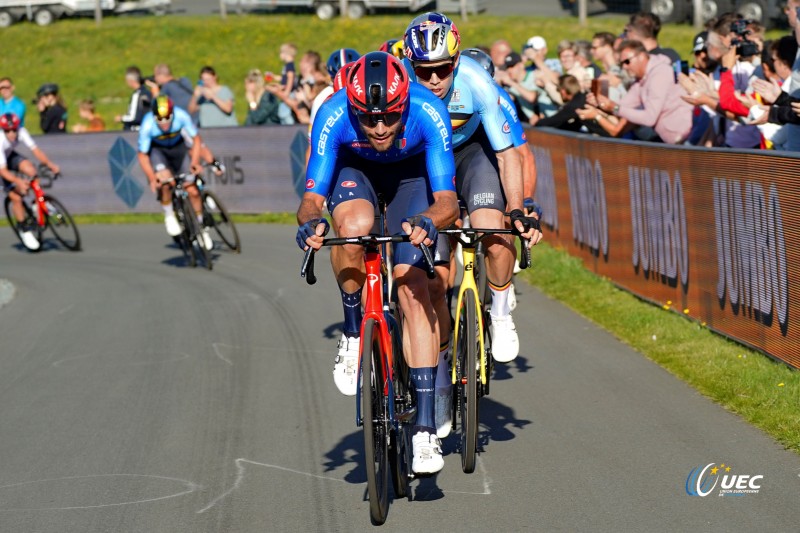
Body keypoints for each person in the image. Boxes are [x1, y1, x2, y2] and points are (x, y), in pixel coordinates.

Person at [296, 51, 459, 475]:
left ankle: (424, 428)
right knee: (352, 227)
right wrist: (311, 223)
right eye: (368, 120)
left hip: (412, 178)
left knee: (412, 288)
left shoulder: (429, 110)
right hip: (357, 174)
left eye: (389, 117)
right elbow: (312, 199)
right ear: (352, 109)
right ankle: (353, 333)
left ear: (404, 103)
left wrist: (427, 220)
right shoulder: (332, 115)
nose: (380, 128)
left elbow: (447, 202)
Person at [402, 12, 543, 438]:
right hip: (425, 161)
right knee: (434, 281)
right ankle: (440, 370)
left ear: (457, 60)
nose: (435, 79)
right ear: (410, 65)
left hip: (471, 155)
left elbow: (509, 154)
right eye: (424, 71)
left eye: (444, 69)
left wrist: (518, 208)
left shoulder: (478, 82)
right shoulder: (403, 87)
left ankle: (500, 310)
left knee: (493, 228)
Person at [136, 95, 212, 250]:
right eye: (160, 120)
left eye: (167, 119)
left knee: (193, 190)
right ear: (154, 117)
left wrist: (195, 162)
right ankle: (169, 214)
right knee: (165, 182)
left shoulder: (181, 115)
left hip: (179, 149)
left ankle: (200, 226)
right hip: (159, 152)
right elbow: (142, 155)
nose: (164, 124)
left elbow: (196, 140)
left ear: (173, 114)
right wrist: (152, 177)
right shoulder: (148, 125)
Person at [584, 40, 692, 144]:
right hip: (673, 143)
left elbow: (649, 118)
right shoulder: (641, 80)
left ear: (641, 56)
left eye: (627, 61)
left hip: (687, 140)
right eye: (622, 64)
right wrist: (600, 104)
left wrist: (614, 108)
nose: (625, 67)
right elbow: (621, 107)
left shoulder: (660, 74)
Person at [0, 112, 60, 250]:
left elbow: (36, 151)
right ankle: (23, 228)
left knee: (31, 170)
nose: (11, 134)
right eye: (7, 131)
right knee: (15, 196)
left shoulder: (21, 131)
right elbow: (3, 171)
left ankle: (38, 203)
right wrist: (18, 182)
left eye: (13, 130)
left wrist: (50, 164)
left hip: (8, 156)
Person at [115, 66, 152, 131]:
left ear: (131, 81)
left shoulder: (137, 95)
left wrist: (121, 118)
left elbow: (134, 117)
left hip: (135, 131)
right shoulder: (147, 92)